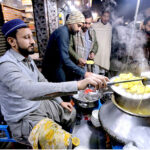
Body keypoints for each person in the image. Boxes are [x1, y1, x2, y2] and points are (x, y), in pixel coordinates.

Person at [0, 19, 109, 146]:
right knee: (65, 143)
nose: (33, 41)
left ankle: (61, 130)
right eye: (26, 37)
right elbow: (28, 90)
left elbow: (42, 80)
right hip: (24, 117)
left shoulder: (27, 59)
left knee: (71, 113)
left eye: (31, 37)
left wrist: (60, 101)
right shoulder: (5, 65)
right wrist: (78, 85)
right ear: (12, 41)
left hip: (39, 104)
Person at [42, 11, 95, 83]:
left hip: (58, 67)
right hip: (53, 69)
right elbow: (65, 60)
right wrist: (84, 73)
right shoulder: (63, 33)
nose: (79, 30)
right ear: (72, 22)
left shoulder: (67, 32)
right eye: (78, 26)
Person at [69, 10, 98, 76]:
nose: (87, 26)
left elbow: (95, 44)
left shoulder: (92, 31)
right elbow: (69, 47)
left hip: (88, 66)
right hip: (76, 66)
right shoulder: (75, 31)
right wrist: (78, 58)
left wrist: (93, 52)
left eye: (89, 23)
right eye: (85, 23)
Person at [92, 11, 112, 76]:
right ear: (101, 16)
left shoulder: (110, 27)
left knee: (102, 75)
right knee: (95, 75)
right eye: (104, 16)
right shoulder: (94, 26)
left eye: (107, 16)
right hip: (96, 55)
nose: (106, 18)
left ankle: (101, 86)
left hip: (105, 55)